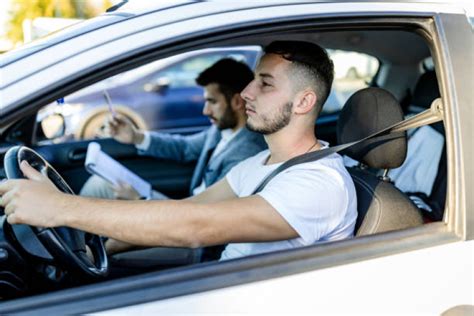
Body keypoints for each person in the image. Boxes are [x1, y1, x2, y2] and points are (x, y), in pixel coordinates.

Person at [0, 41, 357, 261]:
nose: (246, 92)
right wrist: (104, 246)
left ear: (304, 101)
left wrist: (61, 208)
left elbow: (196, 227)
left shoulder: (319, 184)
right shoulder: (260, 162)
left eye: (264, 83)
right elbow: (189, 209)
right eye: (252, 80)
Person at [80, 58, 266, 201]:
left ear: (237, 101)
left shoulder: (246, 152)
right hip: (186, 209)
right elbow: (185, 148)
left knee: (101, 187)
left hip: (194, 233)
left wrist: (141, 200)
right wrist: (135, 136)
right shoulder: (221, 131)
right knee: (101, 183)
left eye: (212, 101)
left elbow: (210, 216)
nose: (205, 111)